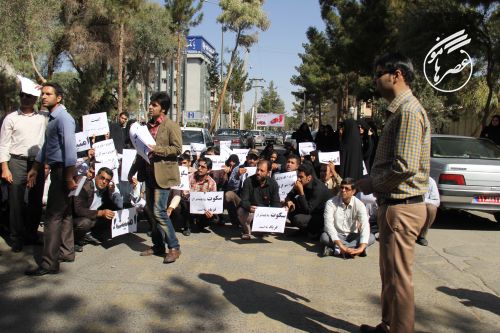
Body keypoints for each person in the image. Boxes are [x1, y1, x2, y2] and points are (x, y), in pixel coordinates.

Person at [357, 52, 431, 333]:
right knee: (389, 275)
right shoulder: (400, 111)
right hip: (394, 206)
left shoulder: (410, 112)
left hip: (403, 206)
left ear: (396, 74)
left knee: (399, 278)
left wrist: (373, 183)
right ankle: (388, 326)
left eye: (378, 74)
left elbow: (405, 166)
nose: (375, 81)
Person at [25, 82, 78, 276]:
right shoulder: (53, 119)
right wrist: (35, 168)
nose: (44, 97)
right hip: (58, 170)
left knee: (52, 217)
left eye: (48, 94)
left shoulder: (64, 119)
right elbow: (48, 146)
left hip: (61, 172)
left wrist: (69, 176)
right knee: (63, 214)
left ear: (59, 98)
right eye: (43, 93)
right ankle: (66, 252)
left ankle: (49, 263)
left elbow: (70, 150)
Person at [130, 92, 182, 264]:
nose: (150, 107)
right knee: (152, 212)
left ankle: (174, 247)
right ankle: (158, 245)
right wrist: (132, 172)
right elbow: (140, 153)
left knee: (160, 211)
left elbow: (177, 149)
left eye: (154, 105)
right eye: (150, 104)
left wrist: (157, 149)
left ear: (163, 109)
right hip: (148, 175)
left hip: (163, 176)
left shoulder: (171, 126)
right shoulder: (145, 127)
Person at [0, 76, 46, 252]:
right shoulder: (11, 118)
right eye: (22, 95)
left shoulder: (43, 117)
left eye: (29, 95)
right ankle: (16, 238)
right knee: (16, 201)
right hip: (16, 161)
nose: (25, 98)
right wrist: (4, 167)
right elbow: (3, 144)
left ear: (35, 99)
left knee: (35, 200)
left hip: (37, 162)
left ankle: (31, 234)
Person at [320, 178, 375, 258]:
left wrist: (361, 247)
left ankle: (336, 250)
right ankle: (351, 250)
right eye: (342, 187)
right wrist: (341, 245)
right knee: (324, 237)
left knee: (371, 237)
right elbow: (328, 225)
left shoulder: (359, 204)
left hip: (352, 235)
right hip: (337, 234)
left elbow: (365, 225)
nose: (343, 190)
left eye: (347, 189)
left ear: (353, 191)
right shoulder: (330, 203)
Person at [72, 167, 122, 252]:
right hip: (75, 219)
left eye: (107, 180)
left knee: (111, 215)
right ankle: (73, 241)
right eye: (102, 178)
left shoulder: (105, 189)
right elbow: (78, 210)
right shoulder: (84, 187)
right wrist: (100, 213)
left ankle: (90, 235)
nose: (104, 182)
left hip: (92, 217)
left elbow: (110, 206)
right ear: (96, 176)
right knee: (85, 223)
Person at [285, 163, 331, 238]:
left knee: (298, 219)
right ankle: (304, 231)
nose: (298, 179)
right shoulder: (301, 182)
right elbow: (289, 195)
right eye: (297, 176)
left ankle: (315, 232)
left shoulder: (318, 188)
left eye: (301, 177)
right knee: (290, 212)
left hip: (320, 217)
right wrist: (288, 201)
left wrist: (301, 192)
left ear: (309, 177)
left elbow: (308, 210)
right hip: (310, 211)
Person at [238, 160, 281, 240]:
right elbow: (244, 200)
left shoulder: (273, 184)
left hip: (264, 214)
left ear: (268, 173)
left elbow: (276, 204)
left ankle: (260, 229)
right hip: (251, 212)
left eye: (262, 171)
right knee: (241, 210)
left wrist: (279, 216)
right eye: (257, 169)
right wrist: (249, 207)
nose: (258, 172)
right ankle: (246, 230)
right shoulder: (248, 181)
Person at [416, 176, 440, 246]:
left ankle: (421, 236)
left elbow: (436, 201)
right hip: (406, 204)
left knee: (432, 208)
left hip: (421, 204)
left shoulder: (430, 180)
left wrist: (421, 201)